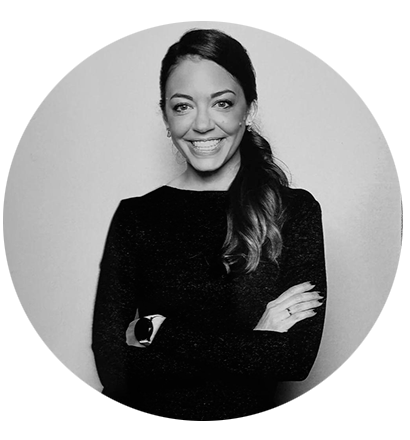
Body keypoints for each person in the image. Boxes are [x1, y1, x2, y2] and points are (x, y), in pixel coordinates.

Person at [91, 28, 327, 421]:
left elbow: (293, 359)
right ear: (165, 115)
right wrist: (254, 341)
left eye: (222, 103)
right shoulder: (135, 216)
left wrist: (159, 333)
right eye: (183, 106)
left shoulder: (293, 211)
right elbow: (112, 366)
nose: (201, 124)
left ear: (249, 110)